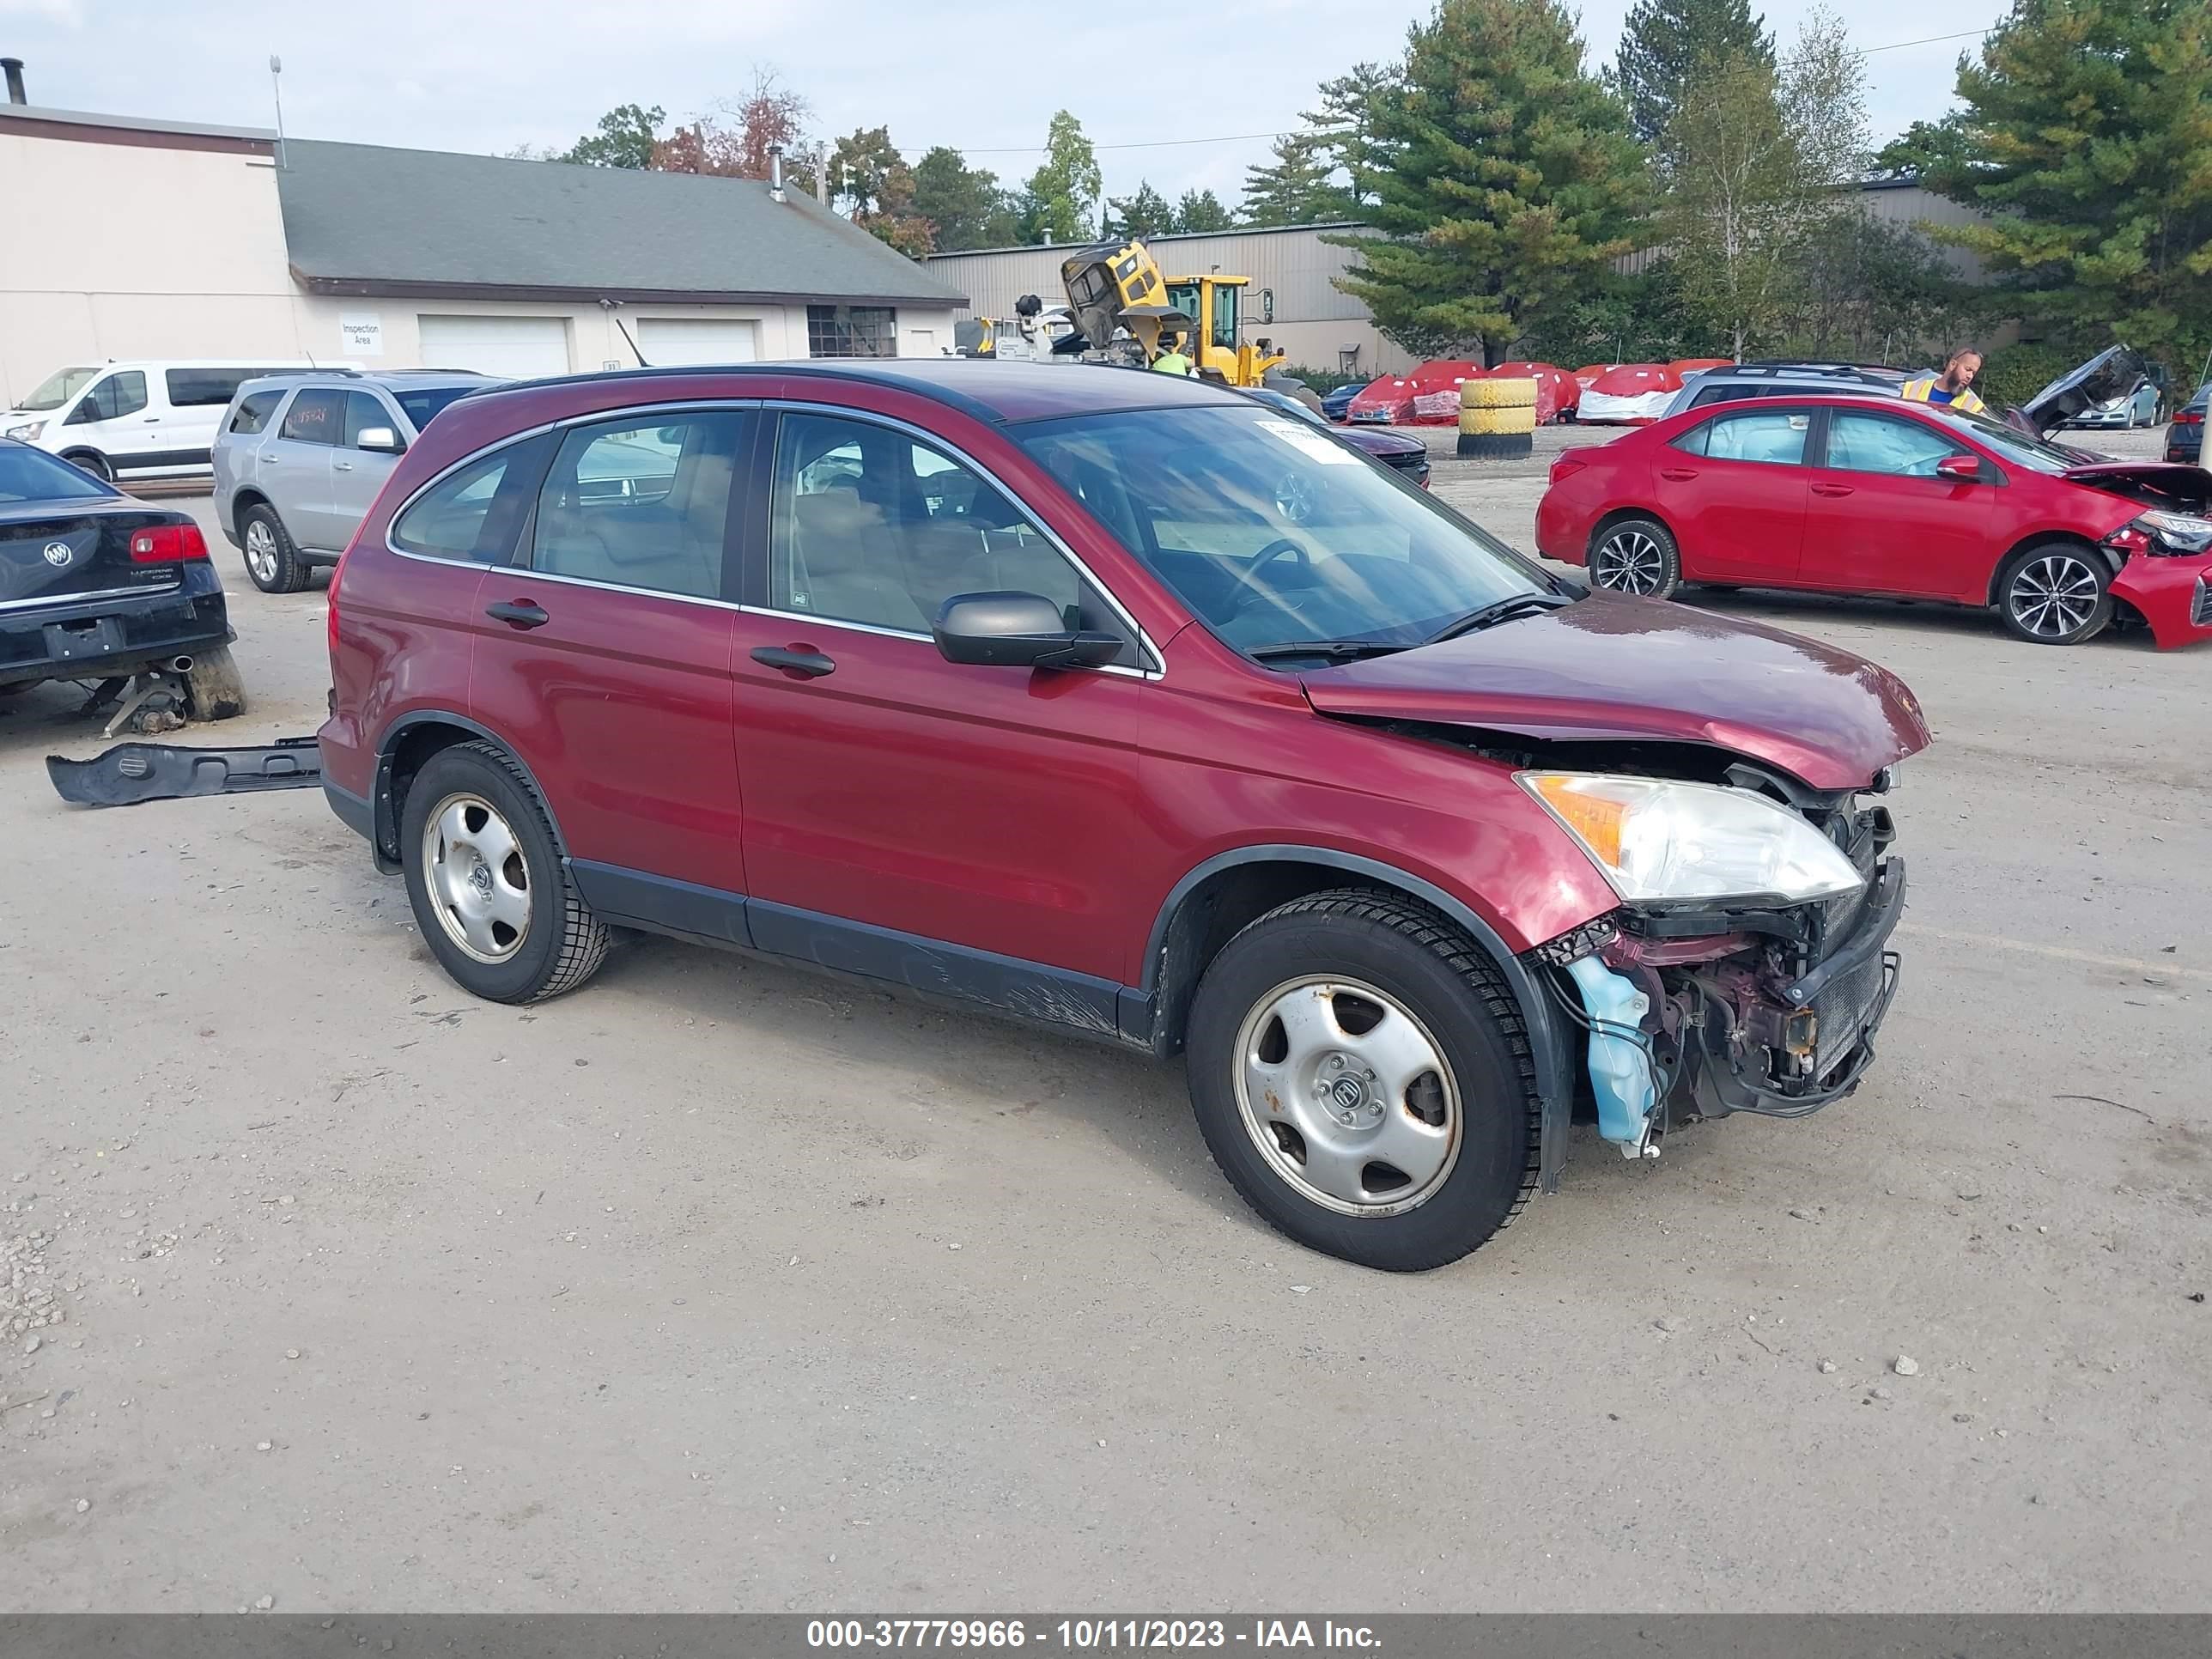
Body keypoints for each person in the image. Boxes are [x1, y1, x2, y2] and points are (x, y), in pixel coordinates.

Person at [1903, 349, 1988, 415]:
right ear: (1952, 365)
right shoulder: (1912, 389)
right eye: (1967, 369)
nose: (1970, 376)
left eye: (1973, 373)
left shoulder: (1974, 406)